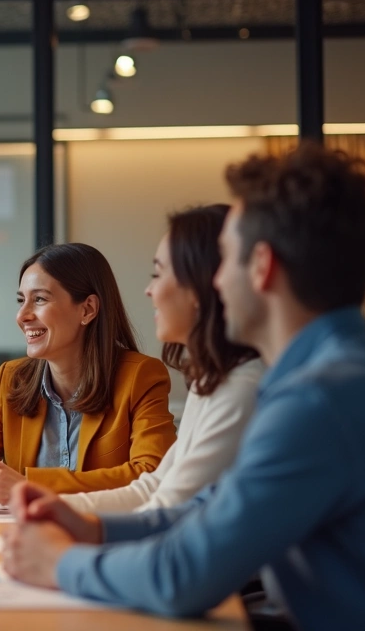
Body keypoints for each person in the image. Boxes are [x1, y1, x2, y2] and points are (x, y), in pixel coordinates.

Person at [0, 144, 365, 629]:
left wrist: (58, 564)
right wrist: (90, 526)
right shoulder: (336, 374)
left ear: (262, 266)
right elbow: (203, 510)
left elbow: (184, 575)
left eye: (224, 259)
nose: (214, 282)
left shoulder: (318, 400)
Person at [0, 243, 177, 503]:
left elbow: (152, 474)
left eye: (40, 299)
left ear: (87, 309)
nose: (22, 315)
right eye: (21, 300)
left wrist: (28, 485)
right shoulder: (13, 379)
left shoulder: (140, 377)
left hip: (104, 536)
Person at [61, 205, 263, 514]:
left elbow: (168, 509)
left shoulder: (242, 388)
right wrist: (54, 506)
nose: (149, 290)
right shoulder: (210, 382)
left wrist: (61, 517)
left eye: (158, 273)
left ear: (201, 284)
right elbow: (155, 486)